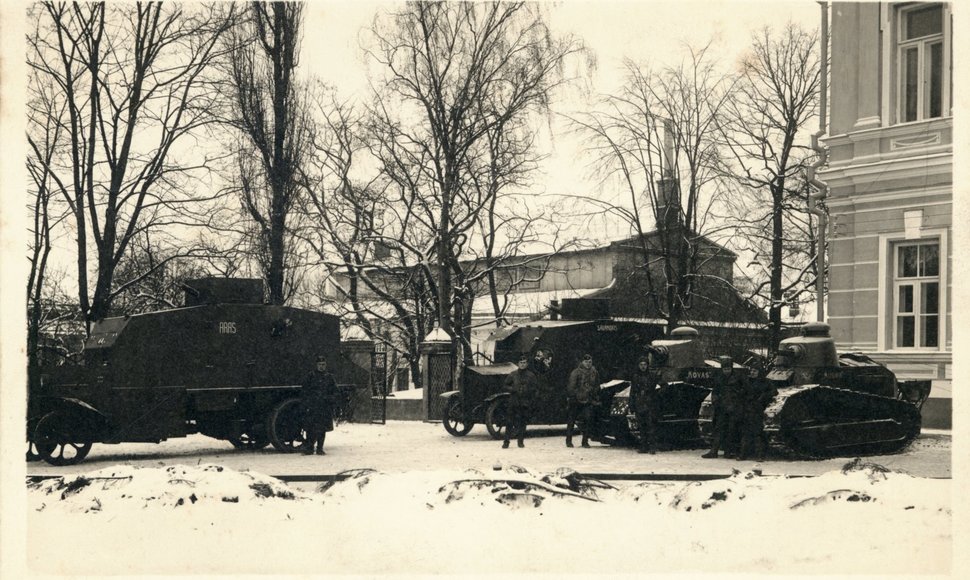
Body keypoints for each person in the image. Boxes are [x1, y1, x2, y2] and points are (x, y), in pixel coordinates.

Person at [701, 356, 747, 459]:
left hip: (735, 408)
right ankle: (714, 451)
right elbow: (715, 391)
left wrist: (737, 397)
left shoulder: (739, 377)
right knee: (719, 429)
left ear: (731, 368)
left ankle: (728, 451)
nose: (726, 371)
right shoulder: (719, 378)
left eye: (728, 369)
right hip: (722, 408)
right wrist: (715, 401)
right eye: (725, 369)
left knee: (731, 430)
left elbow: (745, 390)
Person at [630, 353, 665, 454]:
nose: (643, 366)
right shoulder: (635, 376)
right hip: (639, 403)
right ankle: (644, 446)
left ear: (647, 365)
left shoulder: (652, 376)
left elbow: (663, 385)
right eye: (641, 364)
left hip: (650, 404)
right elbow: (632, 391)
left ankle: (652, 447)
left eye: (645, 364)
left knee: (651, 426)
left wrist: (656, 394)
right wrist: (631, 404)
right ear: (638, 365)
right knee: (641, 426)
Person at [302, 356, 337, 455]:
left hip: (324, 407)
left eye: (323, 365)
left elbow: (335, 391)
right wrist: (308, 402)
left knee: (322, 429)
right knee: (310, 428)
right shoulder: (311, 376)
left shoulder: (329, 377)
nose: (322, 367)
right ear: (316, 365)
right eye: (320, 365)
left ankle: (320, 448)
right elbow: (304, 390)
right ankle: (309, 448)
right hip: (313, 407)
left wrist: (330, 399)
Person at [738, 372, 777, 461]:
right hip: (747, 409)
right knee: (745, 433)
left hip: (757, 409)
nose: (752, 372)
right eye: (751, 370)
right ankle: (742, 454)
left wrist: (763, 397)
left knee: (757, 433)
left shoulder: (766, 382)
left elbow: (774, 391)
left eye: (755, 371)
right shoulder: (747, 381)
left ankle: (759, 455)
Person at [502, 355, 538, 448]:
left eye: (524, 363)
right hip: (513, 402)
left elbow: (535, 389)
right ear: (518, 364)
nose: (522, 364)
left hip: (525, 402)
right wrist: (513, 388)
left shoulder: (531, 375)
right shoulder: (513, 374)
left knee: (523, 422)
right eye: (521, 363)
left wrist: (531, 399)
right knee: (509, 422)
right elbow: (505, 385)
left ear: (527, 364)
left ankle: (520, 442)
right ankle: (506, 442)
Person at [566, 354, 601, 448]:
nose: (588, 364)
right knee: (571, 420)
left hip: (588, 400)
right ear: (582, 362)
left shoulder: (594, 372)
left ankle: (585, 441)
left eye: (590, 362)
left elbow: (597, 384)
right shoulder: (576, 372)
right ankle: (568, 440)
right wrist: (575, 396)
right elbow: (571, 387)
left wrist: (594, 393)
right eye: (586, 362)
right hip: (576, 400)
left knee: (588, 419)